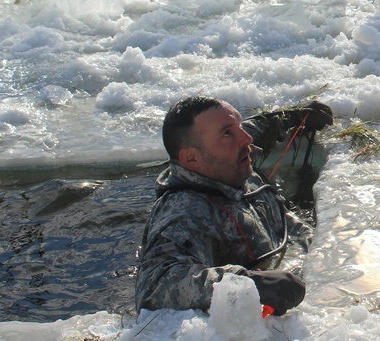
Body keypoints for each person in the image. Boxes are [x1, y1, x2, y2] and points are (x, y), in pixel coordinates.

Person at [135, 96, 333, 315]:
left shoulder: (221, 162)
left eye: (237, 126)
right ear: (191, 158)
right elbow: (155, 286)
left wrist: (298, 116)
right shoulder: (186, 213)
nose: (246, 138)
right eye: (228, 133)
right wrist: (251, 285)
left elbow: (255, 128)